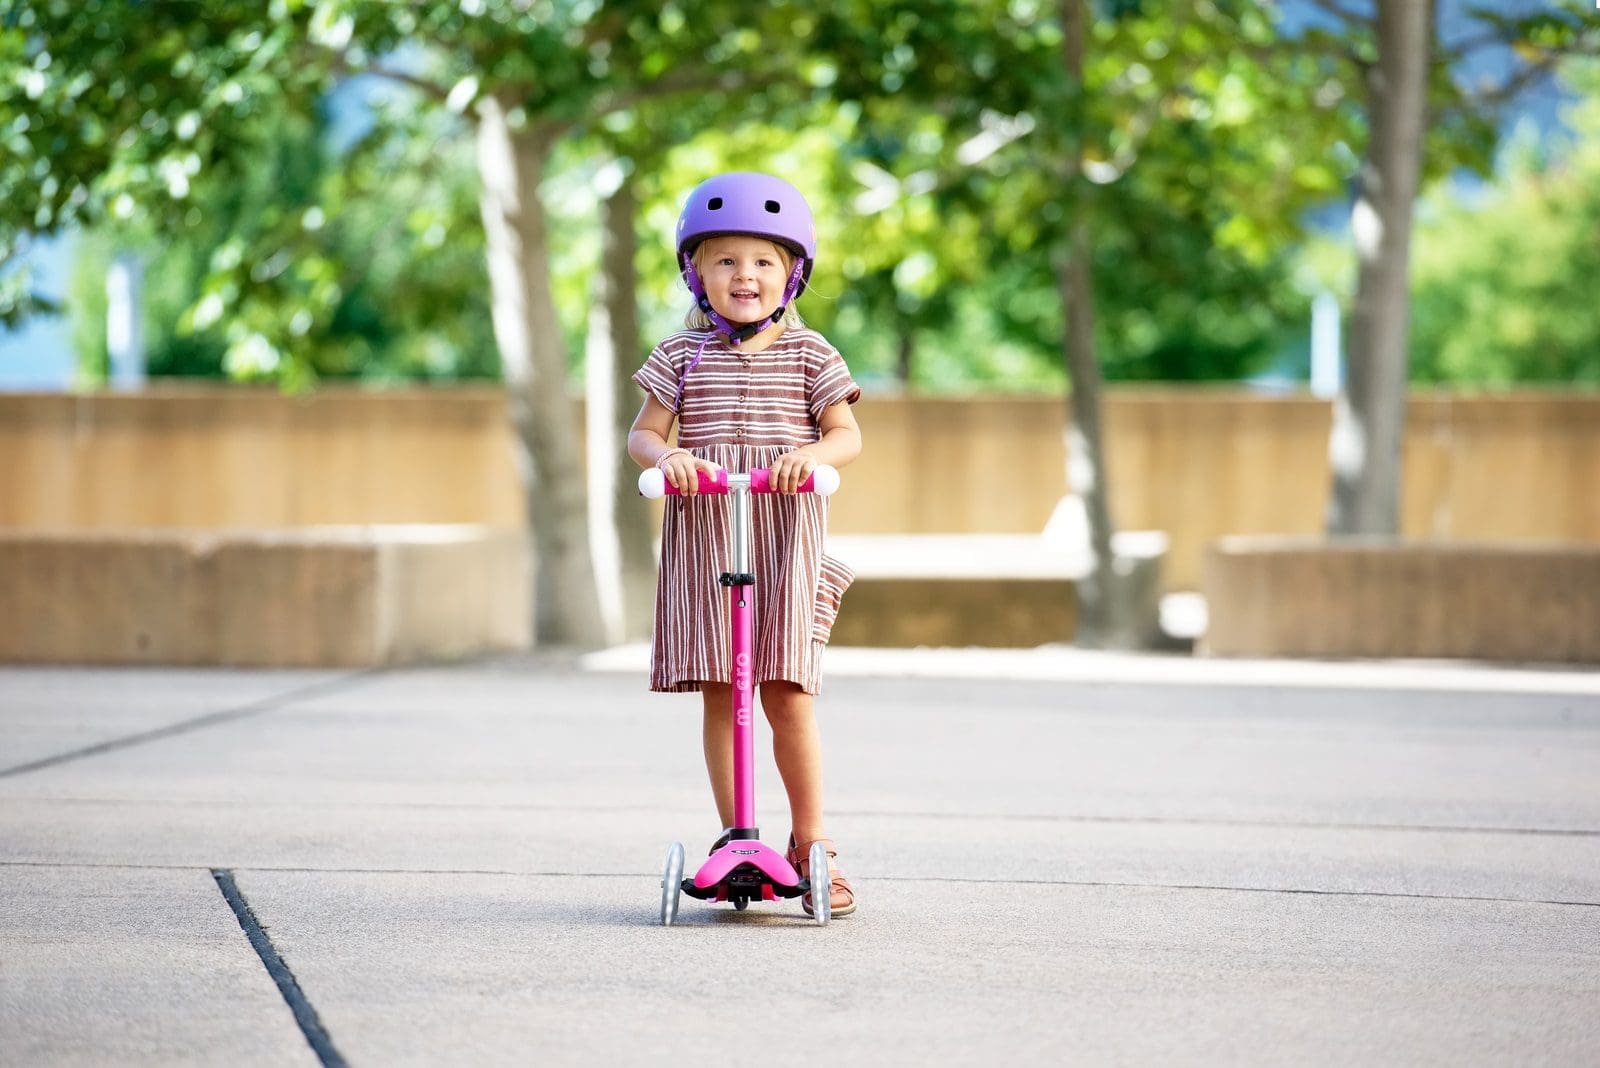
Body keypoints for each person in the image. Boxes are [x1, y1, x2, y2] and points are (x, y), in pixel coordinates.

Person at [627, 172, 862, 918]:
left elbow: (846, 434)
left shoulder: (811, 357)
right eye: (724, 260)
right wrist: (665, 460)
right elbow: (643, 431)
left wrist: (812, 459)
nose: (744, 276)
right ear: (696, 272)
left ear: (791, 273)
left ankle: (812, 841)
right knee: (721, 692)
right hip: (706, 540)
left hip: (782, 539)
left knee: (787, 693)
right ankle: (736, 835)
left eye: (762, 261)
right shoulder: (680, 356)